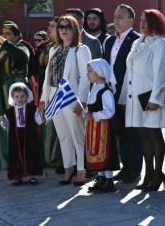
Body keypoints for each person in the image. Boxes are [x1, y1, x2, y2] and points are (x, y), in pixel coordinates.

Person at [39, 13, 92, 186]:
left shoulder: (80, 49)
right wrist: (43, 99)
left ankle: (81, 170)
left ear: (75, 30)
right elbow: (47, 77)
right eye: (61, 27)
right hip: (54, 96)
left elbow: (86, 77)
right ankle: (68, 168)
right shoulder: (54, 49)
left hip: (70, 96)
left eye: (68, 27)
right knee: (63, 135)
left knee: (77, 135)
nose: (63, 30)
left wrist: (82, 100)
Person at [125, 9, 165, 191]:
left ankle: (158, 173)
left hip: (151, 97)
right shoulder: (138, 42)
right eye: (142, 20)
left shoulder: (161, 44)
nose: (142, 23)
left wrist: (155, 98)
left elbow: (161, 73)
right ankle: (148, 173)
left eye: (147, 20)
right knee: (143, 136)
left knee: (154, 135)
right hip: (135, 96)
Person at [104, 4, 143, 185]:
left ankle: (134, 170)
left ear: (130, 21)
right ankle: (125, 167)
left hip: (129, 94)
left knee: (132, 133)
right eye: (115, 16)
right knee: (119, 132)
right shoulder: (109, 41)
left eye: (121, 16)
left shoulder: (137, 40)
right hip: (111, 93)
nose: (116, 19)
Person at [0, 21, 32, 170]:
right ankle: (4, 159)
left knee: (19, 122)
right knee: (2, 121)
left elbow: (22, 57)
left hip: (17, 89)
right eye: (3, 33)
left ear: (17, 35)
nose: (4, 36)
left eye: (8, 34)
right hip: (1, 89)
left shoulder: (22, 47)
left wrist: (1, 40)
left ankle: (22, 159)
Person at [84, 59, 118, 193]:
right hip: (94, 129)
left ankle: (109, 180)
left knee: (105, 152)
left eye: (90, 71)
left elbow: (109, 112)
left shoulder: (105, 91)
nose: (88, 74)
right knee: (95, 151)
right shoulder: (95, 88)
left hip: (104, 129)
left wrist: (94, 115)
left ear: (99, 73)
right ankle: (101, 178)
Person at [0, 83, 43, 185]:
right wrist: (3, 121)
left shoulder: (33, 109)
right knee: (16, 156)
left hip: (29, 135)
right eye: (17, 97)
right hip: (15, 137)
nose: (20, 99)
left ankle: (32, 175)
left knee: (31, 154)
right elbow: (6, 126)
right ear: (13, 97)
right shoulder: (9, 112)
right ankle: (17, 176)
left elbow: (39, 121)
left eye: (22, 96)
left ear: (27, 96)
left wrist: (41, 112)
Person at [36, 20, 63, 173]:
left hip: (59, 90)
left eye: (53, 26)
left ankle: (57, 158)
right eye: (49, 26)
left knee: (58, 126)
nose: (50, 29)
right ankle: (47, 157)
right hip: (45, 87)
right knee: (48, 123)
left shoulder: (65, 48)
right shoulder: (47, 47)